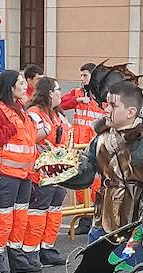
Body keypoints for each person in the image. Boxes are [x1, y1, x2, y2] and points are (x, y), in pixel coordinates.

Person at [59, 79, 143, 258]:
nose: (106, 110)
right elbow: (86, 174)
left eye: (113, 105)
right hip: (101, 221)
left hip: (136, 224)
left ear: (131, 112)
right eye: (106, 104)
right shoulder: (100, 139)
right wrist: (61, 171)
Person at [0, 69, 42, 273]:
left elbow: (28, 140)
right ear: (10, 86)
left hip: (23, 174)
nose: (24, 85)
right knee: (3, 219)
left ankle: (17, 260)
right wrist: (7, 130)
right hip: (5, 174)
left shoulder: (20, 109)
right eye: (20, 82)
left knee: (20, 218)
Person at [24, 76, 72, 268]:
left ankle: (47, 248)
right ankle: (30, 251)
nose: (61, 93)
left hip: (58, 172)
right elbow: (31, 138)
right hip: (41, 173)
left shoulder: (58, 115)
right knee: (37, 213)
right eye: (58, 89)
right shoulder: (34, 113)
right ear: (50, 93)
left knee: (54, 212)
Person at [60, 63, 103, 235]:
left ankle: (96, 217)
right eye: (81, 75)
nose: (82, 79)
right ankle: (84, 219)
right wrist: (77, 100)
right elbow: (62, 103)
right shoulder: (78, 93)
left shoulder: (102, 96)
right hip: (79, 147)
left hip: (95, 147)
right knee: (80, 185)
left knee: (96, 185)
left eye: (85, 75)